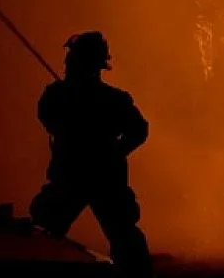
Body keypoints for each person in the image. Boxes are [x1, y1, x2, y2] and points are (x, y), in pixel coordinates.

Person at [30, 31, 152, 277]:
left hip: (79, 177)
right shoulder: (111, 99)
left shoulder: (59, 95)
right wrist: (114, 153)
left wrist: (112, 152)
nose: (66, 63)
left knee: (46, 225)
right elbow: (138, 130)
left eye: (72, 58)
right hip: (97, 177)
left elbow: (139, 130)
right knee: (45, 226)